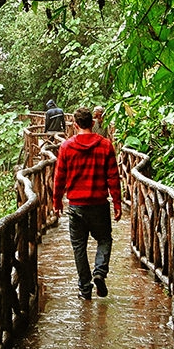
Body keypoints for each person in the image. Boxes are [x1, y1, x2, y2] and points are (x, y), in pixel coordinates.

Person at [53, 107, 122, 300]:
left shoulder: (66, 147)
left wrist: (56, 201)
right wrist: (117, 203)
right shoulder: (106, 145)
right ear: (92, 123)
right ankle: (99, 272)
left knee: (79, 247)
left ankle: (85, 289)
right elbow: (113, 178)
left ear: (75, 125)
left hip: (76, 205)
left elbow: (59, 177)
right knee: (104, 239)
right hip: (99, 203)